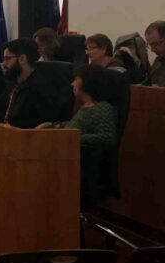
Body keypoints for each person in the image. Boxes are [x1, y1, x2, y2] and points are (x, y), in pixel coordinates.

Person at [37, 64, 118, 208]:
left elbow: (107, 137)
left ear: (88, 82)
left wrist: (71, 137)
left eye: (76, 79)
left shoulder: (102, 108)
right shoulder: (86, 106)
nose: (72, 83)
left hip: (81, 168)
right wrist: (54, 125)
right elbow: (74, 126)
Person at [0, 38, 60, 128]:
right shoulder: (11, 84)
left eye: (7, 58)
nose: (3, 64)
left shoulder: (41, 88)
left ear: (22, 59)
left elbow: (41, 123)